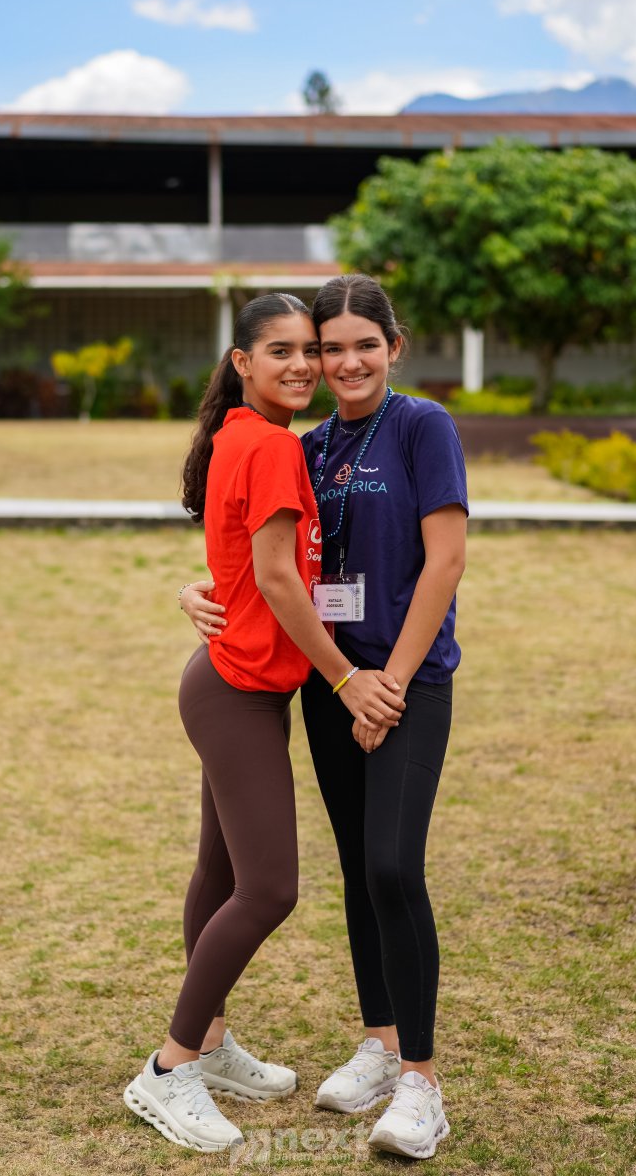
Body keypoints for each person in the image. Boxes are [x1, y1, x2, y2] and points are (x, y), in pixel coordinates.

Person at [181, 274, 468, 1160]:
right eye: (324, 347)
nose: (340, 363)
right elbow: (272, 555)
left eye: (359, 345)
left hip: (402, 683)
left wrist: (386, 683)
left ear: (394, 347)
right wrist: (197, 590)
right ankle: (379, 1044)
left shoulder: (423, 427)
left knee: (393, 866)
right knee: (356, 867)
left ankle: (420, 1083)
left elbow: (445, 562)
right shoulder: (305, 446)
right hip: (331, 686)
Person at [123, 291, 405, 1155]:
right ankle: (169, 1068)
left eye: (308, 351)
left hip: (235, 685)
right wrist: (345, 677)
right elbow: (278, 579)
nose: (303, 365)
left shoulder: (244, 435)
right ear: (242, 362)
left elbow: (246, 568)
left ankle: (208, 1044)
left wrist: (200, 591)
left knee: (219, 872)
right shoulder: (272, 444)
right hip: (237, 691)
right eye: (280, 351)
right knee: (269, 888)